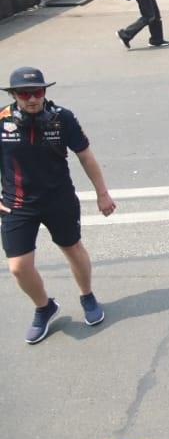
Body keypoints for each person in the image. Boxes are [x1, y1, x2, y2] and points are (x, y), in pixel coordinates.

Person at [2, 67, 116, 345]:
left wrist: (102, 194)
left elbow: (86, 156)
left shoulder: (62, 118)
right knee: (18, 266)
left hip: (59, 199)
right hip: (17, 204)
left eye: (37, 92)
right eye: (25, 94)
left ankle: (87, 295)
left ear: (45, 92)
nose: (32, 99)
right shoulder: (1, 122)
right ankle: (44, 307)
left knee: (73, 249)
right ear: (14, 95)